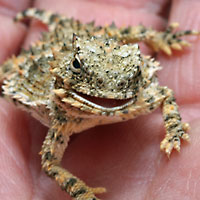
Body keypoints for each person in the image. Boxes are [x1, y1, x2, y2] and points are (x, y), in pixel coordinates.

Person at [0, 0, 200, 199]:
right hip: (62, 60)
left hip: (115, 74)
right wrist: (81, 193)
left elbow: (165, 94)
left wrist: (174, 129)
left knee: (112, 37)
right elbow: (50, 164)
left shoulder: (142, 97)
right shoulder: (62, 114)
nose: (108, 93)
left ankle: (157, 38)